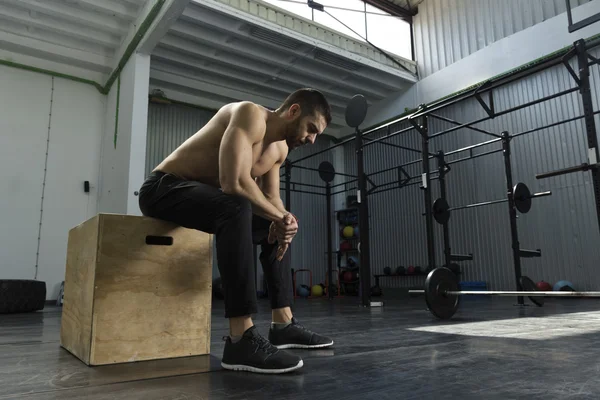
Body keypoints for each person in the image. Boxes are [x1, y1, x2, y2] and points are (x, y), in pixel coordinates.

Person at [138, 88, 334, 374]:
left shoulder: (279, 150)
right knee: (238, 206)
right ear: (293, 111)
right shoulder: (250, 115)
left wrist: (286, 221)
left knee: (274, 223)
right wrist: (279, 216)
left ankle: (283, 324)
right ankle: (240, 339)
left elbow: (272, 200)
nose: (312, 139)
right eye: (311, 129)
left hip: (206, 198)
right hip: (162, 188)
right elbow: (233, 183)